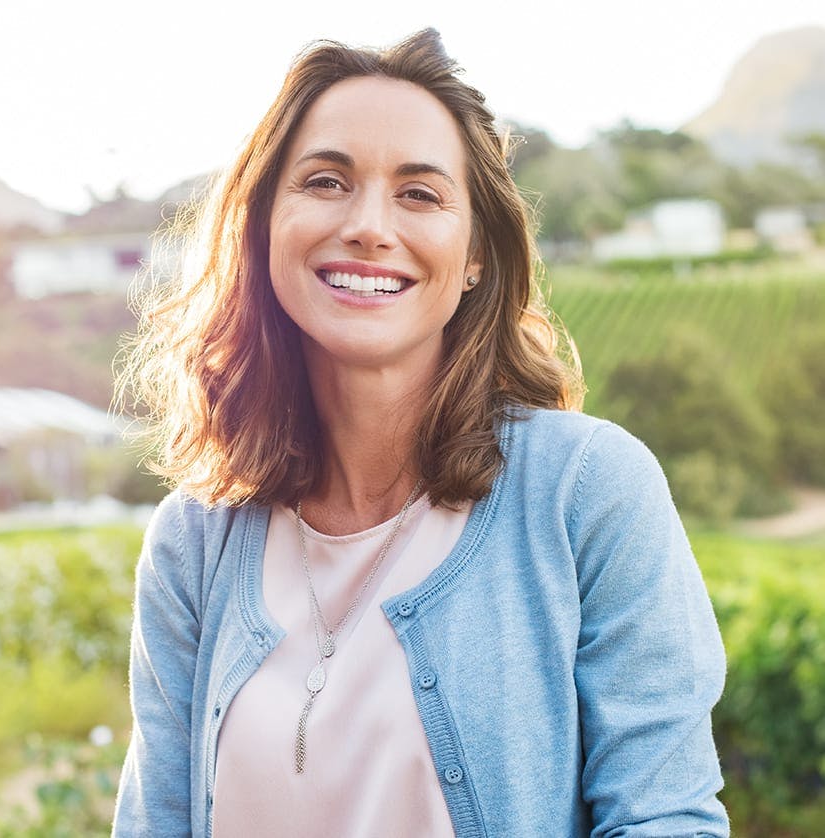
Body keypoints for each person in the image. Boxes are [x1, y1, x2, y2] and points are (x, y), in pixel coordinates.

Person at [112, 28, 729, 838]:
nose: (369, 225)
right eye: (327, 181)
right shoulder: (195, 541)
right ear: (265, 227)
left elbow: (664, 817)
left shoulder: (587, 490)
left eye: (420, 194)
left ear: (475, 253)